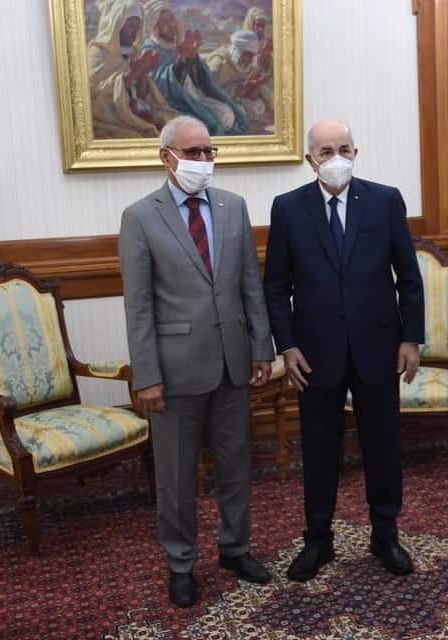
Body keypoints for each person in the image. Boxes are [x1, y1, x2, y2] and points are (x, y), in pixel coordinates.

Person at [119, 115, 274, 608]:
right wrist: (147, 376)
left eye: (209, 151)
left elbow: (250, 284)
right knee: (177, 476)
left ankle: (236, 548)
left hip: (233, 362)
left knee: (236, 466)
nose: (204, 160)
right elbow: (139, 306)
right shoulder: (140, 217)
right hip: (175, 371)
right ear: (166, 157)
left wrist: (262, 348)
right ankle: (181, 563)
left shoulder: (233, 206)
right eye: (193, 152)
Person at [263, 119, 424, 582]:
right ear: (310, 159)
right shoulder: (288, 208)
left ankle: (385, 535)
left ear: (356, 152)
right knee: (318, 450)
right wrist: (287, 345)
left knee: (383, 446)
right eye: (326, 151)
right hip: (314, 353)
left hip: (379, 346)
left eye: (344, 149)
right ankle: (318, 540)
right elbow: (276, 286)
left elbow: (408, 278)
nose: (336, 158)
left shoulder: (385, 200)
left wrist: (410, 338)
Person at [141, 0, 248, 135]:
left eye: (171, 18)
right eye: (164, 22)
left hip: (192, 97)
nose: (171, 24)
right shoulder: (150, 48)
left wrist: (192, 56)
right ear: (155, 26)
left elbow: (198, 81)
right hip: (170, 103)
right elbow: (163, 87)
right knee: (208, 123)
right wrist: (181, 58)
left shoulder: (179, 42)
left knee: (228, 114)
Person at [87, 0, 178, 138]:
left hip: (134, 108)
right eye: (130, 26)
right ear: (117, 24)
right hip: (113, 116)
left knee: (174, 122)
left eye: (137, 27)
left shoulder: (133, 52)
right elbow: (96, 98)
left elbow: (140, 94)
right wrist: (133, 73)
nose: (134, 32)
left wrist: (143, 73)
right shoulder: (99, 52)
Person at [206, 30, 272, 121]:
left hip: (233, 98)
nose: (250, 59)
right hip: (215, 101)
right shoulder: (218, 63)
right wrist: (245, 87)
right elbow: (210, 93)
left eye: (252, 56)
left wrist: (255, 84)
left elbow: (248, 92)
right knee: (229, 114)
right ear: (237, 51)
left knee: (258, 105)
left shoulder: (244, 64)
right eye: (248, 55)